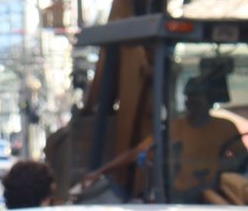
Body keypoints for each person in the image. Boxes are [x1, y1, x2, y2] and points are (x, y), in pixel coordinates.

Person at [82, 76, 246, 202]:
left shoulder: (225, 127)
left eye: (197, 98)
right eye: (189, 97)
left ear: (209, 101)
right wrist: (101, 171)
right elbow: (137, 152)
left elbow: (242, 160)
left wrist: (226, 165)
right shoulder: (174, 127)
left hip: (213, 195)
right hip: (177, 198)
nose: (191, 103)